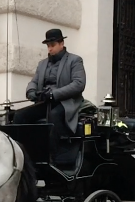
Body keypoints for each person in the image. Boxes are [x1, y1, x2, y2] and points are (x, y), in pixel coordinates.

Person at [13, 28, 86, 163]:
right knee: (19, 116)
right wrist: (32, 93)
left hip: (66, 103)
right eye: (48, 46)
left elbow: (78, 84)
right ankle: (23, 156)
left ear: (61, 44)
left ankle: (52, 157)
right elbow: (33, 82)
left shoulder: (75, 60)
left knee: (54, 115)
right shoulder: (42, 64)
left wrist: (54, 94)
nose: (49, 49)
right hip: (45, 102)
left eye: (52, 45)